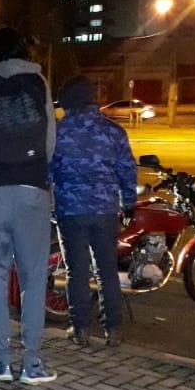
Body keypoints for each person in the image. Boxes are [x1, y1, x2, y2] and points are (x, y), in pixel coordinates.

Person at [0, 27, 58, 384]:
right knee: (34, 278)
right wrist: (29, 167)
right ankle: (32, 363)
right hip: (32, 189)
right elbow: (49, 142)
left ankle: (0, 360)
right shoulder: (39, 83)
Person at [50, 76, 138, 348]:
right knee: (107, 270)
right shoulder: (113, 131)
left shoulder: (57, 133)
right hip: (105, 210)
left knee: (77, 271)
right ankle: (113, 331)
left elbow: (47, 172)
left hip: (71, 211)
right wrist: (129, 203)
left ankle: (80, 330)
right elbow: (127, 170)